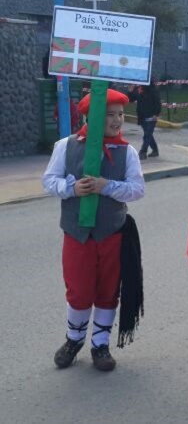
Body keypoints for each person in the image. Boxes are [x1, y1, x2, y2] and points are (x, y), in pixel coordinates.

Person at [43, 89, 145, 372]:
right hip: (76, 233)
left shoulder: (127, 151)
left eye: (120, 115)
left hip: (112, 233)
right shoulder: (66, 145)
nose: (116, 121)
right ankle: (73, 339)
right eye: (109, 115)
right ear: (91, 116)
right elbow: (49, 181)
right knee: (78, 290)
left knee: (108, 290)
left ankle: (100, 344)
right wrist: (71, 188)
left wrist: (108, 186)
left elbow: (137, 190)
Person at [127, 79, 162, 160]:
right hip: (142, 115)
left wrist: (156, 114)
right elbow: (131, 99)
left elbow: (157, 102)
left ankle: (143, 152)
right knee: (148, 134)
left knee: (147, 135)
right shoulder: (139, 89)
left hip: (151, 116)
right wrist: (130, 91)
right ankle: (155, 150)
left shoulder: (152, 89)